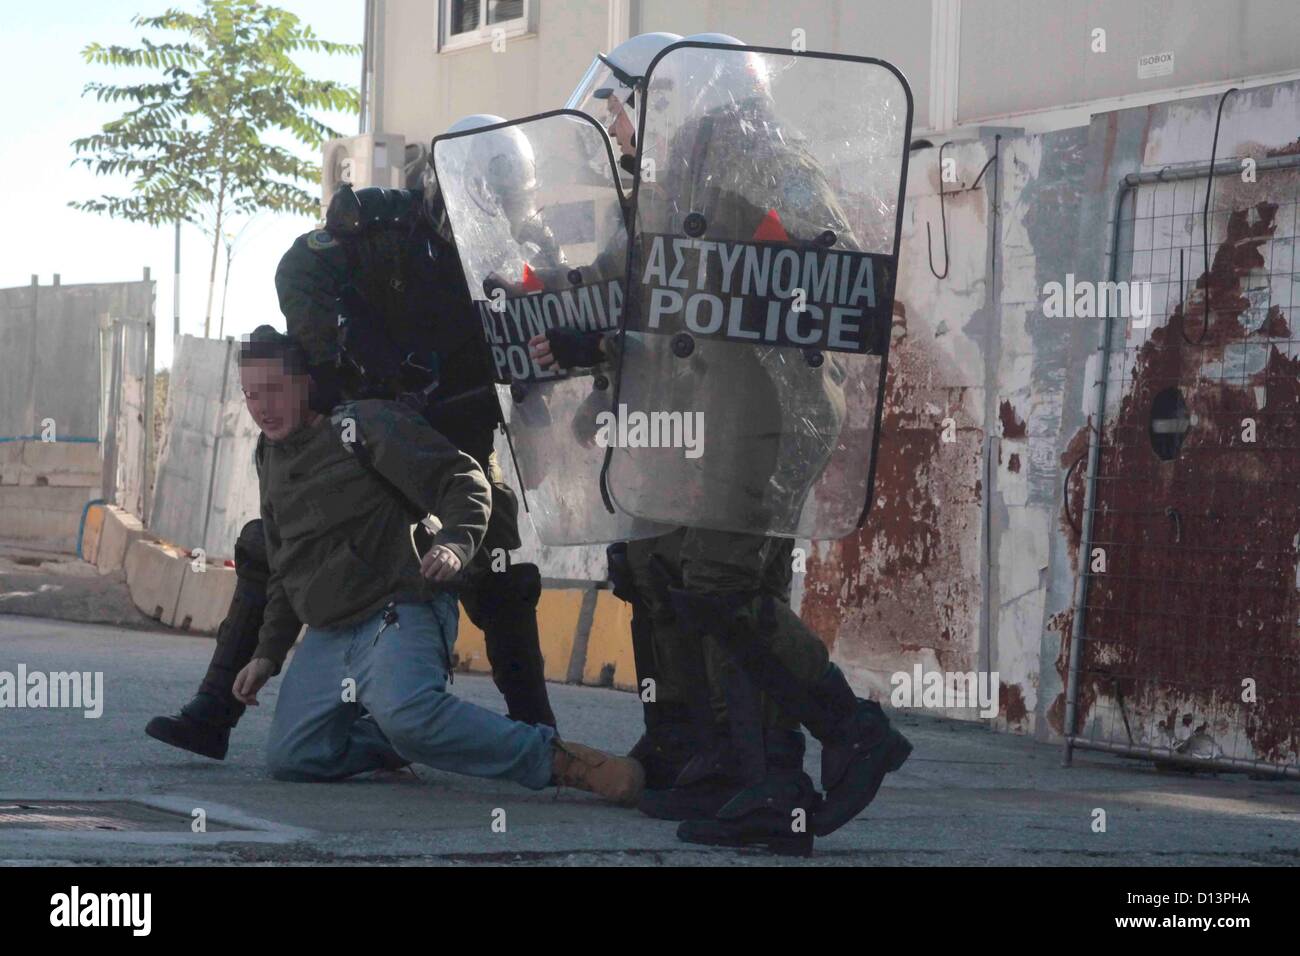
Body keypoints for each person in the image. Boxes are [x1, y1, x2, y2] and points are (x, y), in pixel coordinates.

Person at [536, 34, 911, 854]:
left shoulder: (763, 159)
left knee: (720, 583)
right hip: (699, 419)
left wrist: (755, 276)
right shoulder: (675, 184)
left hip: (766, 411)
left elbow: (835, 266)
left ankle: (849, 731)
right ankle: (753, 778)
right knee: (677, 574)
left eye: (625, 107)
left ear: (676, 98)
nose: (617, 126)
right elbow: (629, 295)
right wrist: (568, 331)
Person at [145, 131, 558, 761]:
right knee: (274, 543)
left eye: (500, 204)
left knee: (496, 554)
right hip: (363, 426)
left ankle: (538, 728)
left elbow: (558, 330)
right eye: (478, 202)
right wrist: (350, 357)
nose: (486, 219)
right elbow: (299, 268)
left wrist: (540, 357)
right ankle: (214, 710)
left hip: (459, 431)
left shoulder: (528, 254)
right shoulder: (384, 223)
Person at [229, 325, 642, 802]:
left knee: (409, 713)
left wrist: (453, 544)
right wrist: (267, 654)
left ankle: (562, 761)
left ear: (304, 384)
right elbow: (286, 565)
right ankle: (399, 739)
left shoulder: (364, 427)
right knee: (293, 757)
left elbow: (465, 480)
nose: (263, 407)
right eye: (251, 394)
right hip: (330, 630)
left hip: (398, 609)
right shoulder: (270, 455)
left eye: (275, 390)